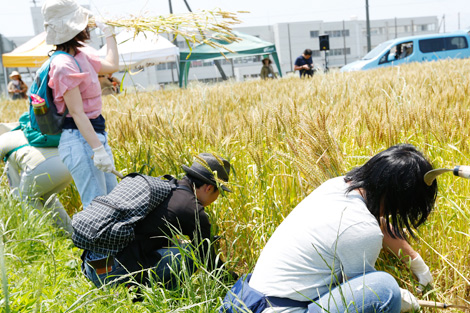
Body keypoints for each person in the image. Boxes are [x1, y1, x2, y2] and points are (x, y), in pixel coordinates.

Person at [220, 144, 437, 313]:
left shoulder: (338, 187)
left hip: (247, 301)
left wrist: (417, 264)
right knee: (385, 289)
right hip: (279, 308)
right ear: (402, 200)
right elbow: (365, 292)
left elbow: (375, 221)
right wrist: (400, 298)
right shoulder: (362, 230)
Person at [82, 153, 233, 288]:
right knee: (190, 252)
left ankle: (137, 285)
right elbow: (208, 259)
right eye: (219, 192)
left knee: (177, 244)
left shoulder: (166, 187)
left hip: (93, 264)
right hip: (109, 274)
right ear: (208, 188)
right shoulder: (192, 209)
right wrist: (231, 282)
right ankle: (161, 296)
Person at [42, 0, 120, 210]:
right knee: (98, 208)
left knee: (114, 204)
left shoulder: (82, 54)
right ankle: (94, 244)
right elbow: (77, 113)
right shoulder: (62, 65)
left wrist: (109, 33)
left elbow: (112, 65)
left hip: (95, 135)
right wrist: (98, 149)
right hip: (80, 139)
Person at [0, 123, 73, 235]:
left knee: (26, 198)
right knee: (48, 198)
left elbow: (15, 189)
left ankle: (42, 237)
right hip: (68, 166)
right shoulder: (24, 134)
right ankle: (72, 236)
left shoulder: (3, 139)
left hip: (43, 166)